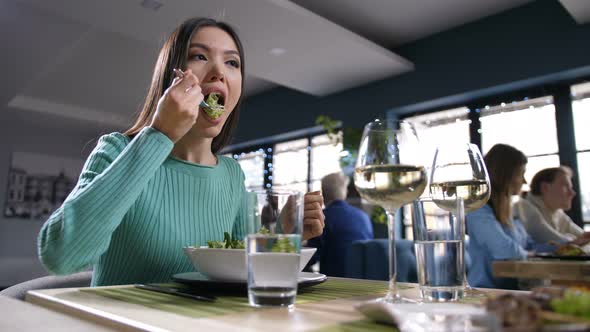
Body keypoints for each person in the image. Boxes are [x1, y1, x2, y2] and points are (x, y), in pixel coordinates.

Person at [37, 17, 325, 286]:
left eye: (232, 63)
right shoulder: (116, 150)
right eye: (199, 56)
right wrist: (159, 134)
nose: (219, 72)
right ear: (171, 77)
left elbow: (242, 272)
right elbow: (61, 257)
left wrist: (283, 232)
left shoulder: (231, 174)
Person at [466, 144, 552, 289]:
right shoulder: (478, 210)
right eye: (521, 174)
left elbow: (528, 246)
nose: (524, 181)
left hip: (512, 289)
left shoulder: (507, 210)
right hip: (486, 291)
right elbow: (504, 250)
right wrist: (528, 254)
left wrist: (565, 247)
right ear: (504, 175)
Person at [307, 172, 373, 277]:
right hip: (364, 280)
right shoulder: (363, 216)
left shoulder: (322, 217)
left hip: (334, 282)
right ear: (345, 192)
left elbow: (311, 258)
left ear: (323, 193)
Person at [515, 167, 590, 247]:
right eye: (566, 186)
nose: (572, 193)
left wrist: (579, 240)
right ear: (545, 188)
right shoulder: (524, 208)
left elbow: (584, 238)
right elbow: (562, 244)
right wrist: (574, 240)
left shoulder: (557, 212)